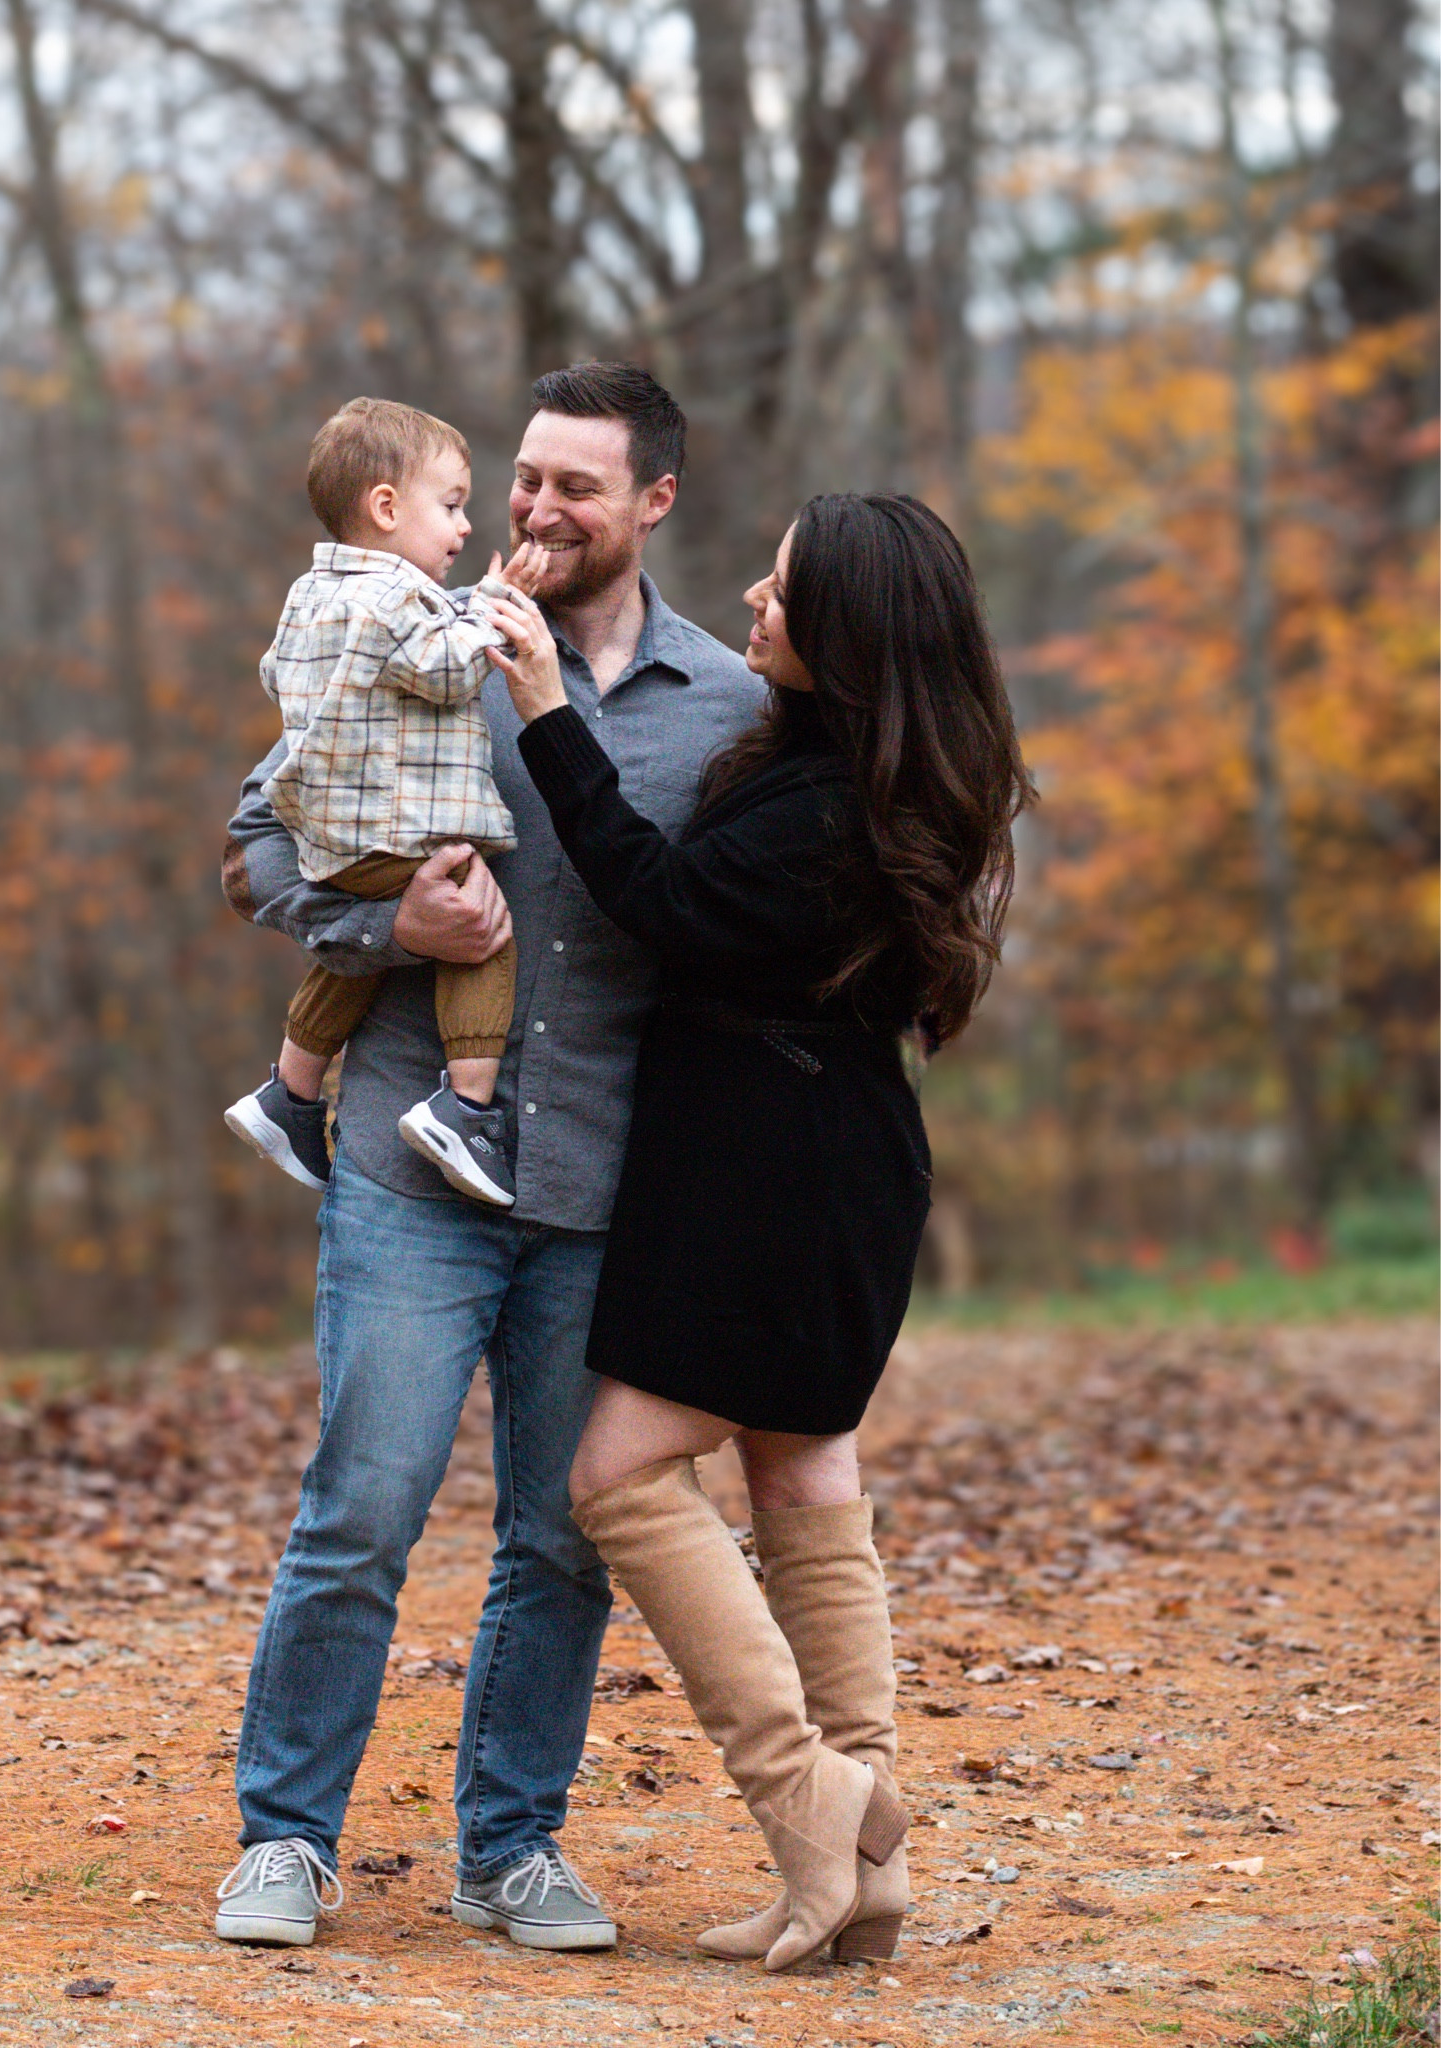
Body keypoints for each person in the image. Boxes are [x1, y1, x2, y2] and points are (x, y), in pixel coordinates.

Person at [212, 364, 762, 1949]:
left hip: (598, 1192)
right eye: (521, 478)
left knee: (555, 1534)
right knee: (360, 1513)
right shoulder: (412, 630)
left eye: (574, 487)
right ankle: (286, 1838)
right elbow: (253, 851)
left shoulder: (726, 706)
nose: (533, 510)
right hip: (404, 1165)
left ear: (653, 501)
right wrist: (389, 923)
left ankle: (509, 1848)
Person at [484, 492, 1033, 1971]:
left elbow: (660, 900)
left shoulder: (834, 801)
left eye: (782, 591)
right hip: (828, 1156)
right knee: (802, 1474)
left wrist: (546, 711)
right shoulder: (862, 770)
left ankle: (812, 1808)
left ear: (844, 629)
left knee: (617, 1477)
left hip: (767, 1172)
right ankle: (860, 1877)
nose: (750, 597)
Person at [222, 395, 541, 1209]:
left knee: (361, 953)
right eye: (453, 505)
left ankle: (288, 1093)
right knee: (476, 934)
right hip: (400, 831)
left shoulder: (311, 594)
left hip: (334, 841)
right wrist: (494, 612)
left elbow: (276, 675)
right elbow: (448, 670)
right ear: (387, 508)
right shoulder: (395, 597)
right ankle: (466, 1110)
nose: (465, 528)